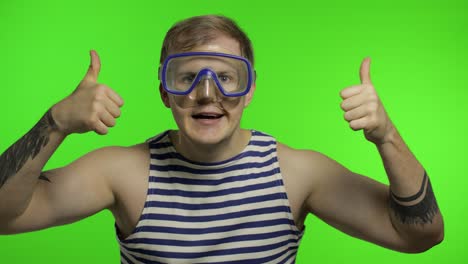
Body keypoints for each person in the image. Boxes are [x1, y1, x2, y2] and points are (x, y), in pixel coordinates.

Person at [0, 15, 443, 263]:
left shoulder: (296, 173)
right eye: (187, 77)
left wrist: (386, 135)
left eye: (228, 77)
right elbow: (5, 217)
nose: (207, 93)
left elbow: (419, 237)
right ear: (164, 92)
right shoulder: (122, 172)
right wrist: (54, 122)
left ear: (249, 89)